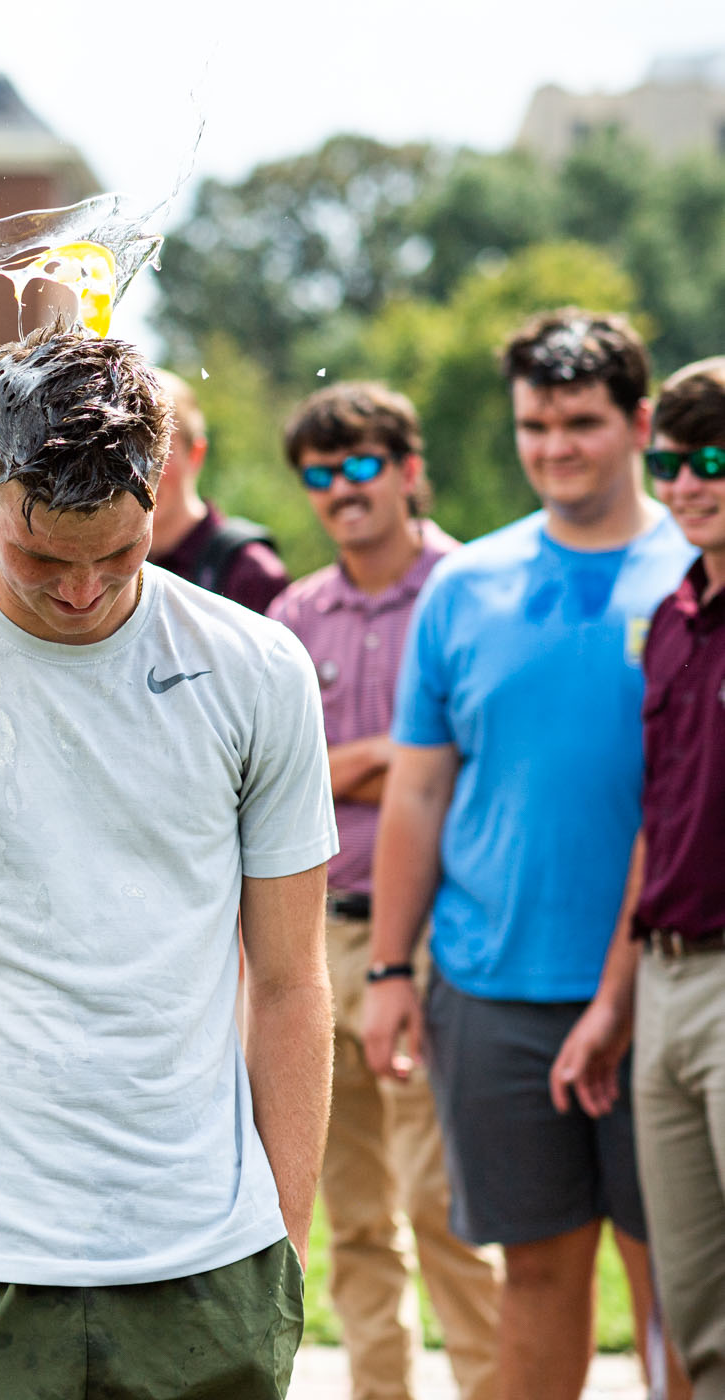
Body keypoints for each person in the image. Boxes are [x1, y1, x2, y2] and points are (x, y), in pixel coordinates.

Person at [0, 324, 337, 1399]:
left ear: (165, 483)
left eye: (120, 555)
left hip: (208, 1259)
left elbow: (289, 980)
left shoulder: (257, 669)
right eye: (43, 557)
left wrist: (282, 1237)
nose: (84, 592)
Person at [363, 310, 696, 1400]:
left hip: (665, 985)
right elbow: (418, 786)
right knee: (538, 1276)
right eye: (535, 424)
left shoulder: (701, 570)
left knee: (678, 1290)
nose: (556, 447)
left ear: (641, 423)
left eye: (583, 423)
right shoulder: (468, 584)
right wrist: (390, 970)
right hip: (492, 985)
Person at [268, 382, 502, 1400]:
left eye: (360, 465)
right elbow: (275, 778)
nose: (340, 490)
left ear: (409, 468)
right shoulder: (293, 615)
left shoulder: (476, 589)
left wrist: (364, 760)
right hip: (316, 943)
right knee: (354, 1217)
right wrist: (398, 757)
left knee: (452, 1206)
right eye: (319, 474)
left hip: (438, 937)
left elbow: (474, 762)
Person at [550, 356, 725, 1398]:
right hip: (663, 985)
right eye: (672, 461)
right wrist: (617, 1000)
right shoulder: (669, 619)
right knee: (691, 1309)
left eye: (712, 459)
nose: (689, 482)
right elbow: (658, 823)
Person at [149, 369, 292, 613]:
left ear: (196, 453)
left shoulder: (251, 572)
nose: (141, 472)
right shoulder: (95, 567)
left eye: (157, 452)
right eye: (124, 453)